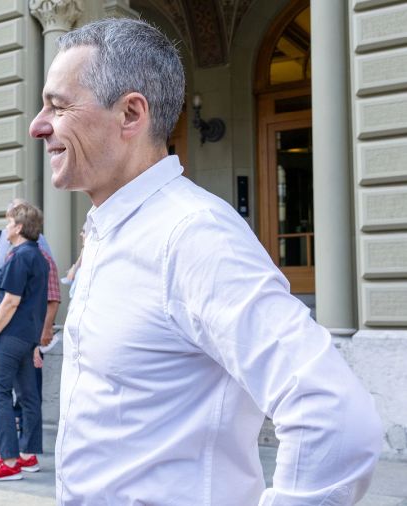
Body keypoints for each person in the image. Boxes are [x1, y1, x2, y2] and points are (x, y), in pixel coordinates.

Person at [29, 18, 381, 504]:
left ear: (131, 113)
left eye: (59, 105)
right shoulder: (114, 230)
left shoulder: (193, 236)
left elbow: (336, 419)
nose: (37, 124)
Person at [0, 201, 48, 481]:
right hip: (28, 337)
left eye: (9, 223)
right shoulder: (39, 257)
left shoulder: (19, 256)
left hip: (11, 336)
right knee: (29, 396)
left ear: (19, 227)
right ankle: (28, 456)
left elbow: (10, 301)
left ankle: (8, 460)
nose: (6, 227)